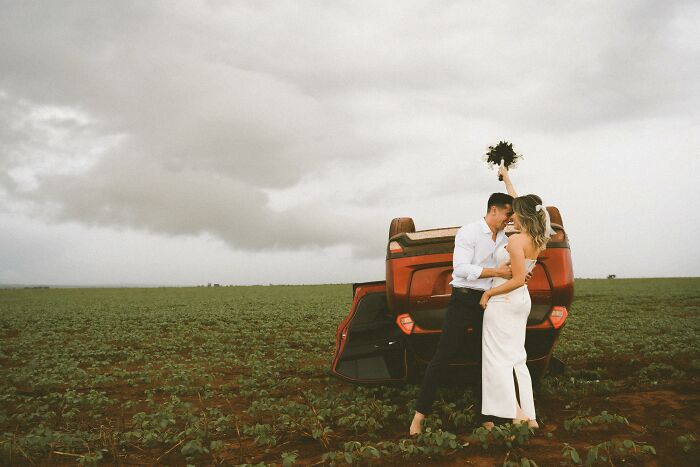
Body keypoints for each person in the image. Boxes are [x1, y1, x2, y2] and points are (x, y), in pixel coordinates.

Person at [409, 188, 515, 435]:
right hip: (463, 299)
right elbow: (461, 269)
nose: (508, 219)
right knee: (442, 357)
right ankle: (418, 417)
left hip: (487, 303)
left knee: (484, 359)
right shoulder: (469, 232)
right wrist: (498, 273)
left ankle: (485, 416)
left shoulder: (503, 238)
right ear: (493, 209)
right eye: (507, 213)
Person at [478, 166, 551, 430]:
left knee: (497, 359)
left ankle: (515, 414)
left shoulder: (516, 241)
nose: (510, 218)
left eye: (514, 214)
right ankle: (529, 417)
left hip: (504, 301)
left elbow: (517, 278)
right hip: (521, 302)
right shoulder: (538, 239)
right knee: (517, 358)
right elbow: (523, 279)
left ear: (522, 216)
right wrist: (506, 177)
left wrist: (489, 292)